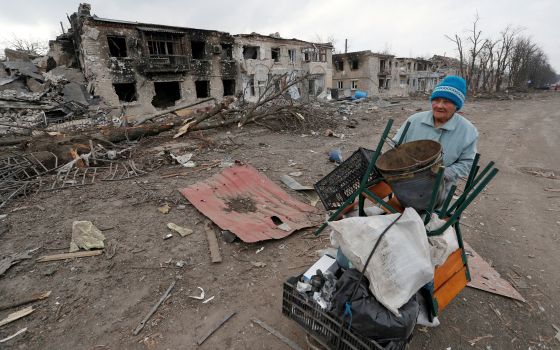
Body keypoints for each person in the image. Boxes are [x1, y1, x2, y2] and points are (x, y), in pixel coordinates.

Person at [393, 75, 478, 188]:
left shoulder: (467, 130)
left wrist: (445, 172)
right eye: (436, 100)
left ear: (456, 106)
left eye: (446, 102)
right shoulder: (414, 120)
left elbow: (468, 163)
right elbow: (394, 148)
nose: (439, 106)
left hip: (437, 189)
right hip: (404, 182)